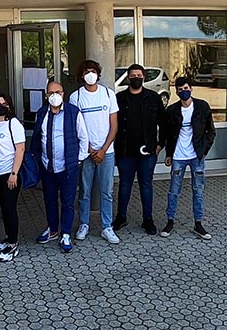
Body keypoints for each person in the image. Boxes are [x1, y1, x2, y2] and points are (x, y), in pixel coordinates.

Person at [32, 82, 89, 253]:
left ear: (63, 93)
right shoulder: (42, 113)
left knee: (67, 202)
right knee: (49, 200)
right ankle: (52, 229)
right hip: (47, 166)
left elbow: (83, 137)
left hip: (68, 167)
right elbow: (37, 136)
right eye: (51, 92)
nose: (54, 95)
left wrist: (78, 160)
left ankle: (65, 233)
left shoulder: (73, 112)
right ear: (46, 95)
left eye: (58, 92)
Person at [69, 60, 120, 244]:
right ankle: (84, 224)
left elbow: (114, 125)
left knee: (106, 191)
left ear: (98, 74)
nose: (90, 74)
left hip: (107, 151)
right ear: (81, 76)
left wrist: (103, 150)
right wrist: (90, 150)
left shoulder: (108, 94)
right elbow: (77, 127)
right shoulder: (76, 97)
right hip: (86, 152)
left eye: (93, 71)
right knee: (84, 191)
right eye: (86, 71)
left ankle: (107, 227)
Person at [113, 64, 167, 235]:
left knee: (146, 186)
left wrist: (160, 144)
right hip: (125, 151)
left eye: (139, 75)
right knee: (124, 186)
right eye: (132, 75)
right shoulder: (119, 98)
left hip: (147, 153)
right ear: (128, 77)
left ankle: (148, 220)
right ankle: (121, 217)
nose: (136, 77)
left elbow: (164, 123)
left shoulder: (153, 98)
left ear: (144, 77)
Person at [161, 77, 216, 240]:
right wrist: (169, 154)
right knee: (173, 191)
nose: (183, 91)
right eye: (179, 89)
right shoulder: (172, 110)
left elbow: (211, 131)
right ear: (176, 92)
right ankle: (170, 221)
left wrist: (204, 150)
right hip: (178, 157)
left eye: (185, 88)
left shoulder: (202, 107)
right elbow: (167, 134)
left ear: (191, 88)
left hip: (196, 157)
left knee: (198, 191)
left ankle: (198, 224)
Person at [0, 93, 27, 262]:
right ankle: (9, 237)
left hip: (10, 175)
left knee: (9, 209)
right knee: (3, 208)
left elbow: (20, 150)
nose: (1, 106)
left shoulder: (14, 124)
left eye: (4, 103)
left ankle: (14, 244)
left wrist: (14, 173)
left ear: (9, 106)